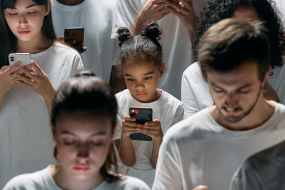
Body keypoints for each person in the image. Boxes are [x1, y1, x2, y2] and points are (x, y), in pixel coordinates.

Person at [152, 18, 285, 190]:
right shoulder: (179, 141)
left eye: (242, 89)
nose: (230, 103)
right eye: (218, 89)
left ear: (265, 75)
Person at [3, 72, 150, 190]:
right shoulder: (21, 187)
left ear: (112, 133)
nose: (82, 155)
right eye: (71, 141)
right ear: (54, 131)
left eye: (95, 142)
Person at [0, 0, 84, 188]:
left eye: (31, 12)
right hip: (5, 173)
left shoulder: (69, 59)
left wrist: (49, 93)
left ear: (47, 8)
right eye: (12, 14)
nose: (22, 22)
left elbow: (78, 128)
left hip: (54, 175)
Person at [182, 0, 285, 118]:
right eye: (236, 27)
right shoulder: (194, 75)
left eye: (253, 27)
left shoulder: (282, 72)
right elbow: (192, 135)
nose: (244, 37)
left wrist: (272, 100)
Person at [113, 22, 184, 188]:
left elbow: (158, 165)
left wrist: (158, 137)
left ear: (161, 70)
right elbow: (127, 161)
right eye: (130, 79)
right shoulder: (116, 104)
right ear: (122, 73)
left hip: (159, 182)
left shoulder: (174, 108)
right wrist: (125, 134)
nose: (139, 86)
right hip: (126, 182)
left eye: (147, 78)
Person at [111, 0, 203, 99]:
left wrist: (193, 26)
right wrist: (142, 19)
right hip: (143, 100)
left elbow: (215, 62)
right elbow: (121, 67)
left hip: (195, 98)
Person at [51, 0, 118, 83]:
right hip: (50, 94)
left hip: (99, 93)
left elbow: (119, 71)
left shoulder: (111, 6)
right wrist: (52, 49)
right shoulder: (37, 9)